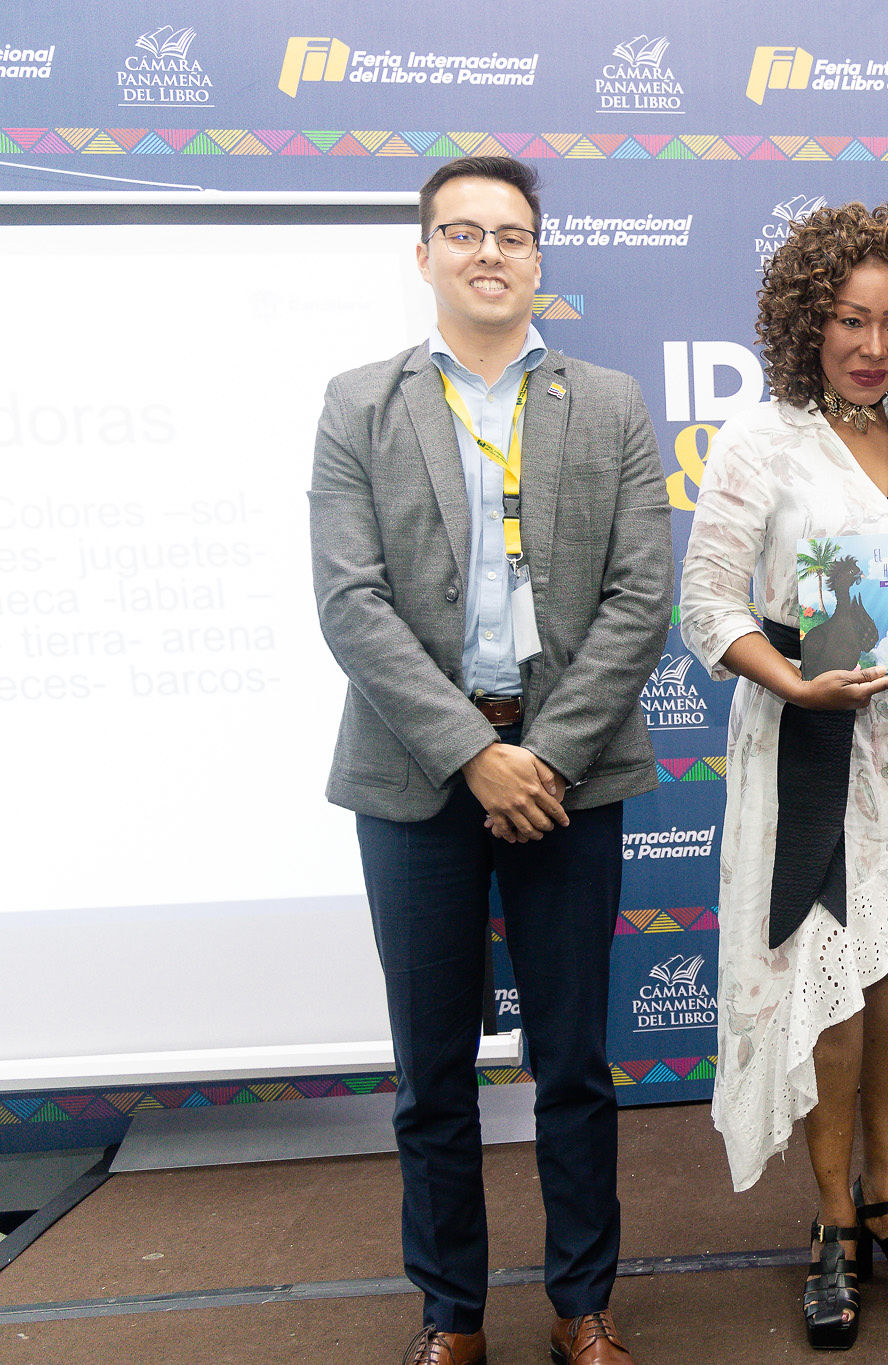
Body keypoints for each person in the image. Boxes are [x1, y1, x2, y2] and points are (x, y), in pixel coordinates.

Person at [310, 156, 671, 1365]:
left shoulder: (610, 402)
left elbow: (639, 600)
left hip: (566, 771)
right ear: (424, 257)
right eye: (461, 233)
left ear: (537, 258)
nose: (488, 253)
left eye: (511, 235)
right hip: (417, 773)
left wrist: (544, 757)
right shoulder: (358, 403)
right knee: (430, 1076)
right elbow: (351, 603)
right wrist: (474, 752)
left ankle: (583, 1306)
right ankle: (450, 1317)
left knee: (571, 1062)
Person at [675, 202, 888, 1350]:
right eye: (851, 322)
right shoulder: (758, 441)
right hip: (810, 746)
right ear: (807, 322)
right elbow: (706, 606)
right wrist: (790, 679)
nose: (874, 347)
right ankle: (825, 1228)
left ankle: (885, 1204)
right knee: (829, 993)